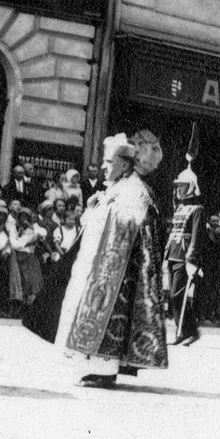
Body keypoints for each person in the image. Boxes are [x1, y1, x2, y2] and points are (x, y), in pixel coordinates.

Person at [55, 133, 169, 388]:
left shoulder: (133, 189)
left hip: (117, 272)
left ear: (124, 164)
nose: (104, 167)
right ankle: (95, 368)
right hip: (98, 267)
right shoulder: (117, 187)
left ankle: (105, 372)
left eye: (108, 162)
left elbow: (130, 226)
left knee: (109, 318)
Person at [163, 159, 204, 346]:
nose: (178, 189)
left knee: (176, 295)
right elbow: (173, 232)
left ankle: (188, 330)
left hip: (184, 256)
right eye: (178, 186)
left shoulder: (197, 209)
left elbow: (195, 236)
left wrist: (191, 259)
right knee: (174, 295)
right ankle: (186, 331)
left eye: (182, 186)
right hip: (172, 254)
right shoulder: (179, 207)